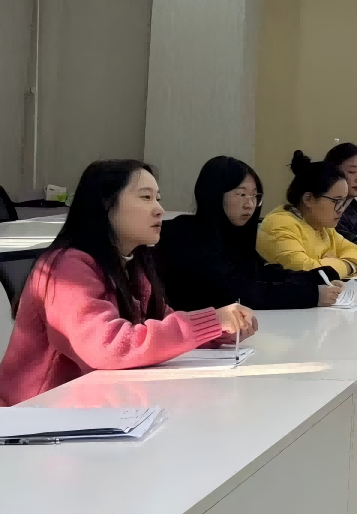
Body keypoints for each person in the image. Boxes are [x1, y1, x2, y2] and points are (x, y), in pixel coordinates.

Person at [0, 160, 257, 405]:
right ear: (106, 204)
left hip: (98, 404)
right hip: (36, 414)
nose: (159, 209)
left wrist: (219, 331)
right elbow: (107, 346)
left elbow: (161, 321)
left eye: (158, 198)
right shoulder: (66, 268)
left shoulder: (131, 263)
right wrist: (210, 322)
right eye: (146, 197)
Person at [157, 157, 343, 311]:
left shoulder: (233, 234)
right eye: (241, 195)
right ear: (214, 194)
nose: (250, 204)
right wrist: (311, 295)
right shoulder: (185, 236)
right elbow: (237, 292)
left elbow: (258, 273)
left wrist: (316, 277)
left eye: (255, 196)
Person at [256, 151, 357, 279]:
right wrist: (345, 264)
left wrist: (328, 265)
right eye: (336, 201)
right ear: (308, 199)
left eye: (343, 202)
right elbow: (307, 272)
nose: (341, 209)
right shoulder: (279, 224)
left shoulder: (323, 226)